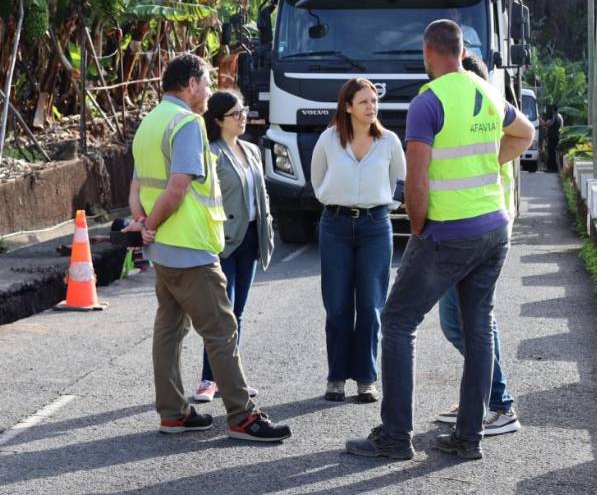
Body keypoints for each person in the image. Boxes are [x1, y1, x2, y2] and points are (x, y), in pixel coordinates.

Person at [345, 20, 533, 461]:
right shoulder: (486, 91)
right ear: (461, 50)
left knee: (397, 322)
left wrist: (418, 226)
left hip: (449, 230)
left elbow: (416, 182)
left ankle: (395, 437)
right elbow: (524, 133)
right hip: (494, 227)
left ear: (428, 53)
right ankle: (469, 438)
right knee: (479, 327)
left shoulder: (427, 102)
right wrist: (490, 159)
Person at [127, 53, 291, 442]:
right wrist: (149, 225)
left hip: (164, 249)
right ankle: (242, 417)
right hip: (190, 248)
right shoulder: (186, 123)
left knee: (169, 329)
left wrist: (142, 227)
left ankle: (173, 413)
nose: (210, 90)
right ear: (191, 84)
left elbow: (137, 187)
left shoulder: (150, 122)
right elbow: (178, 187)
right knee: (221, 330)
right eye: (206, 82)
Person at [430, 54, 520, 436]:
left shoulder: (484, 133)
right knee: (469, 321)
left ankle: (497, 404)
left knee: (464, 322)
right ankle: (479, 397)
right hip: (484, 235)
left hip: (476, 237)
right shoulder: (491, 128)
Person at [310, 78, 404, 404]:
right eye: (363, 101)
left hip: (376, 228)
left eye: (374, 100)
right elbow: (317, 178)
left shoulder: (389, 141)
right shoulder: (328, 139)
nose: (371, 107)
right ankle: (336, 377)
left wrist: (385, 206)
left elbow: (399, 181)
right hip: (334, 226)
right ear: (348, 107)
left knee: (370, 307)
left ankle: (366, 378)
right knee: (336, 307)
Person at [189, 90, 274, 405]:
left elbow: (260, 197)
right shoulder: (210, 153)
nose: (243, 118)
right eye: (236, 113)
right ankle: (209, 378)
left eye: (244, 111)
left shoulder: (251, 149)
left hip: (251, 237)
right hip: (224, 241)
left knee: (238, 312)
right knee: (220, 313)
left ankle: (231, 379)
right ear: (218, 120)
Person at [542, 104, 563, 173]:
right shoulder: (560, 116)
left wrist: (542, 122)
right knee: (553, 152)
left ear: (553, 110)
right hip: (557, 136)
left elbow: (548, 125)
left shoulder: (554, 117)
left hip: (553, 137)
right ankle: (553, 168)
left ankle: (552, 168)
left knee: (551, 152)